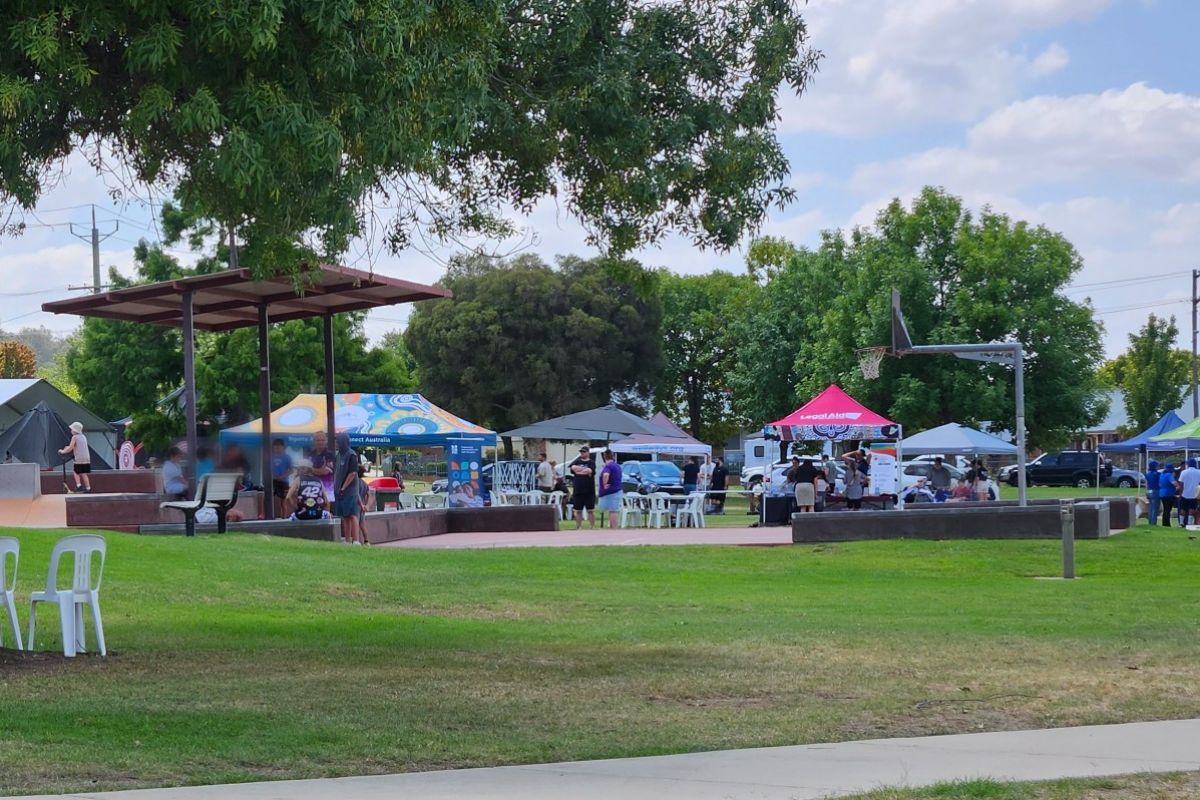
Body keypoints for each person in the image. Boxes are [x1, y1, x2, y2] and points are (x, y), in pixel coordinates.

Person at [333, 433, 362, 544]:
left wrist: (343, 487)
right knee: (345, 515)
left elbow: (353, 473)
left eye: (337, 441)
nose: (336, 443)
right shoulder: (338, 455)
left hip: (350, 490)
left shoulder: (351, 455)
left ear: (342, 442)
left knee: (352, 514)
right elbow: (336, 472)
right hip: (340, 490)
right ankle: (347, 539)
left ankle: (356, 540)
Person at [58, 421, 92, 493]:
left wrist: (63, 451)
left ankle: (79, 485)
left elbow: (70, 448)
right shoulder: (83, 437)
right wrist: (67, 447)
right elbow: (76, 447)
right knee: (83, 473)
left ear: (75, 430)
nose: (71, 431)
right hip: (86, 457)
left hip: (79, 457)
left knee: (76, 471)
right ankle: (88, 488)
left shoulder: (74, 437)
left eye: (72, 429)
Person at [568, 446, 596, 529]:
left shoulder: (591, 462)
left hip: (589, 490)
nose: (582, 453)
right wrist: (583, 470)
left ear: (588, 453)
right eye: (581, 452)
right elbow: (573, 468)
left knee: (590, 510)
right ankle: (578, 526)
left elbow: (590, 470)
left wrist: (579, 471)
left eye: (584, 452)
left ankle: (592, 526)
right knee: (578, 510)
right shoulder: (576, 461)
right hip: (578, 489)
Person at [597, 452, 623, 528]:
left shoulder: (608, 466)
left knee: (613, 511)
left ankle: (614, 528)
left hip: (611, 491)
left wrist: (605, 484)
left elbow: (606, 475)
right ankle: (612, 527)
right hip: (617, 490)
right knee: (613, 510)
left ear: (605, 458)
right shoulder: (617, 466)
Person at [308, 431, 336, 501]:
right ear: (314, 441)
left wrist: (311, 470)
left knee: (326, 510)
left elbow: (325, 472)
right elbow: (305, 471)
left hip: (327, 488)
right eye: (318, 440)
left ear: (326, 441)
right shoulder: (310, 454)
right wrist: (316, 470)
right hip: (312, 488)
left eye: (322, 440)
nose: (320, 442)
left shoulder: (329, 455)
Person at [270, 438, 293, 517]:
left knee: (283, 501)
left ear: (283, 447)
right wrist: (272, 476)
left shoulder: (287, 457)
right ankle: (270, 516)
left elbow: (291, 470)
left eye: (279, 447)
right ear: (273, 447)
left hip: (284, 482)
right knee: (271, 500)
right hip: (272, 481)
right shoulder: (270, 457)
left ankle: (284, 517)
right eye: (275, 447)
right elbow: (266, 469)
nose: (277, 449)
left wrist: (282, 476)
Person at [1178, 458, 1200, 527]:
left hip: (1184, 493)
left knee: (1182, 509)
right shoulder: (1199, 472)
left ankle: (1181, 523)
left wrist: (1180, 493)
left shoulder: (1184, 472)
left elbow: (1181, 484)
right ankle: (1189, 523)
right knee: (1192, 509)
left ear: (1188, 464)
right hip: (1194, 494)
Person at [1158, 463, 1177, 527]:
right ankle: (1167, 524)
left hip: (1162, 493)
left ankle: (1164, 523)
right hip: (1169, 494)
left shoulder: (1162, 474)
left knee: (1165, 509)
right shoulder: (1169, 475)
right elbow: (1173, 483)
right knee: (1168, 510)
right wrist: (1178, 486)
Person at [357, 463, 372, 540]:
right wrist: (366, 505)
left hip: (357, 506)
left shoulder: (355, 482)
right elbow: (369, 494)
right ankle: (366, 540)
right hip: (362, 507)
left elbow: (356, 494)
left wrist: (361, 504)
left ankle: (355, 540)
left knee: (355, 524)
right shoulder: (364, 483)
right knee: (362, 525)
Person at [1145, 460, 1161, 526]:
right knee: (1155, 508)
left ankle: (1150, 522)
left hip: (1149, 490)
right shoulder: (1158, 474)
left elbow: (1146, 483)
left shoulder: (1147, 474)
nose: (1158, 467)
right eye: (1157, 466)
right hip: (1156, 491)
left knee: (1150, 508)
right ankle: (1153, 523)